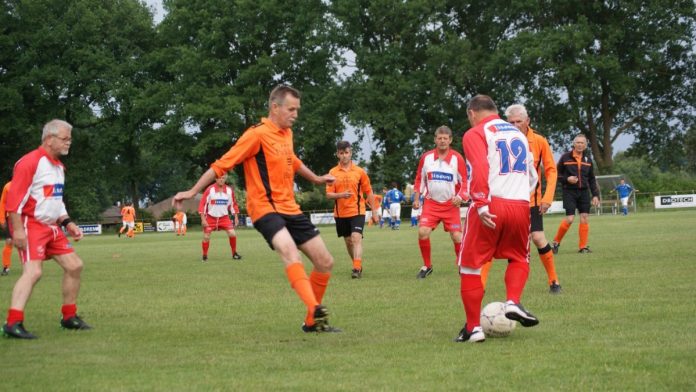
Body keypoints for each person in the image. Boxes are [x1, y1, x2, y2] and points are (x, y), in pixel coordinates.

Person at [173, 85, 340, 333]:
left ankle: (311, 322)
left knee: (325, 261)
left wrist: (315, 178)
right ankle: (315, 308)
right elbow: (222, 165)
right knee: (289, 251)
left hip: (290, 207)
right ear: (275, 107)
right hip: (264, 208)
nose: (295, 114)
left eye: (298, 110)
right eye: (291, 109)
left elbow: (291, 161)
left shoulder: (286, 134)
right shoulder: (256, 135)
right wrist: (192, 191)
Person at [455, 95, 539, 343]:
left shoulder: (476, 133)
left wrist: (480, 203)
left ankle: (473, 329)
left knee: (470, 265)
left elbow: (479, 168)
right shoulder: (519, 135)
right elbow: (532, 176)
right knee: (519, 257)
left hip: (491, 204)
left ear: (472, 113)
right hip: (521, 205)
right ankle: (513, 300)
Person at [3, 119, 91, 339]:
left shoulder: (59, 166)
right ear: (49, 139)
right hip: (30, 225)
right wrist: (18, 231)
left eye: (69, 139)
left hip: (51, 227)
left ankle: (69, 317)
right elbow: (14, 200)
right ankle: (12, 323)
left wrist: (67, 222)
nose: (68, 143)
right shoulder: (29, 162)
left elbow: (55, 200)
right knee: (33, 272)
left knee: (75, 266)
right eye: (64, 138)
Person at [480, 104, 562, 294]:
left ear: (527, 121)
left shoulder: (539, 141)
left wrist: (547, 197)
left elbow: (551, 170)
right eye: (511, 122)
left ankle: (554, 281)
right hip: (505, 201)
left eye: (519, 121)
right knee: (492, 244)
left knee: (538, 238)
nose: (515, 125)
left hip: (531, 202)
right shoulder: (499, 140)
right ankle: (480, 286)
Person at [412, 126, 467, 279]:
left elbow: (465, 183)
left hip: (451, 205)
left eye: (445, 138)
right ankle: (427, 266)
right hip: (431, 203)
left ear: (450, 140)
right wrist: (416, 198)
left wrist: (460, 197)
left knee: (457, 236)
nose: (442, 141)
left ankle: (461, 265)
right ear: (435, 139)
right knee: (423, 232)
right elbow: (419, 179)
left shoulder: (458, 158)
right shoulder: (426, 157)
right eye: (439, 138)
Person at [325, 140, 379, 279]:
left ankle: (356, 267)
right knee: (349, 242)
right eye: (341, 153)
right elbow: (328, 194)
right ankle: (356, 263)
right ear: (337, 154)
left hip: (357, 211)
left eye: (347, 152)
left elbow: (369, 192)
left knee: (356, 238)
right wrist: (341, 195)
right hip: (341, 213)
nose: (344, 156)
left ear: (351, 153)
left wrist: (374, 212)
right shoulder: (332, 172)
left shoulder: (360, 172)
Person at [552, 134, 600, 254]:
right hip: (569, 191)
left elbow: (592, 179)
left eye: (582, 143)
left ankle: (583, 247)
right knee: (570, 219)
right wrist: (567, 179)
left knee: (584, 217)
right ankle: (556, 243)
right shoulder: (565, 158)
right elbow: (557, 174)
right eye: (577, 142)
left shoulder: (588, 160)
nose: (580, 145)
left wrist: (595, 195)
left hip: (584, 192)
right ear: (573, 144)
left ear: (585, 145)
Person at [198, 173, 242, 261]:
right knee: (206, 237)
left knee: (232, 233)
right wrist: (203, 219)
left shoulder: (229, 191)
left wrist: (236, 217)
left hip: (224, 218)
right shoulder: (210, 190)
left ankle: (234, 253)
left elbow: (233, 204)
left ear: (225, 179)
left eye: (223, 178)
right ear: (216, 179)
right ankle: (204, 255)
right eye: (219, 178)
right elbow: (203, 204)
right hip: (210, 217)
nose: (221, 180)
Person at [1, 181, 13, 276]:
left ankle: (30, 266)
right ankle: (6, 267)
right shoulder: (8, 186)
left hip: (25, 217)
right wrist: (2, 219)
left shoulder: (27, 184)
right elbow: (3, 203)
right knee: (9, 241)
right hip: (11, 218)